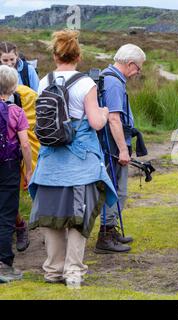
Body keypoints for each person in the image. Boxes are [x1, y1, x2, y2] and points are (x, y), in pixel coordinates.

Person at [28, 30, 117, 288]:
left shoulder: (44, 81)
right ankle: (73, 272)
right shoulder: (86, 84)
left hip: (49, 164)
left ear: (55, 56)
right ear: (78, 56)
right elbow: (97, 123)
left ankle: (53, 270)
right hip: (80, 165)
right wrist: (104, 110)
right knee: (79, 219)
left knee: (52, 217)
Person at [94, 44, 146, 254]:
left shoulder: (107, 77)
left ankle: (110, 230)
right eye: (139, 67)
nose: (138, 72)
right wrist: (123, 150)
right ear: (130, 64)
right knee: (117, 190)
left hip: (109, 143)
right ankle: (105, 237)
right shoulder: (114, 83)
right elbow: (114, 119)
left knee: (114, 189)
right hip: (113, 145)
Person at [0, 65, 32, 284]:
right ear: (13, 88)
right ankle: (4, 266)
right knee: (6, 216)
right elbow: (26, 145)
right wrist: (28, 171)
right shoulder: (16, 112)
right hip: (9, 167)